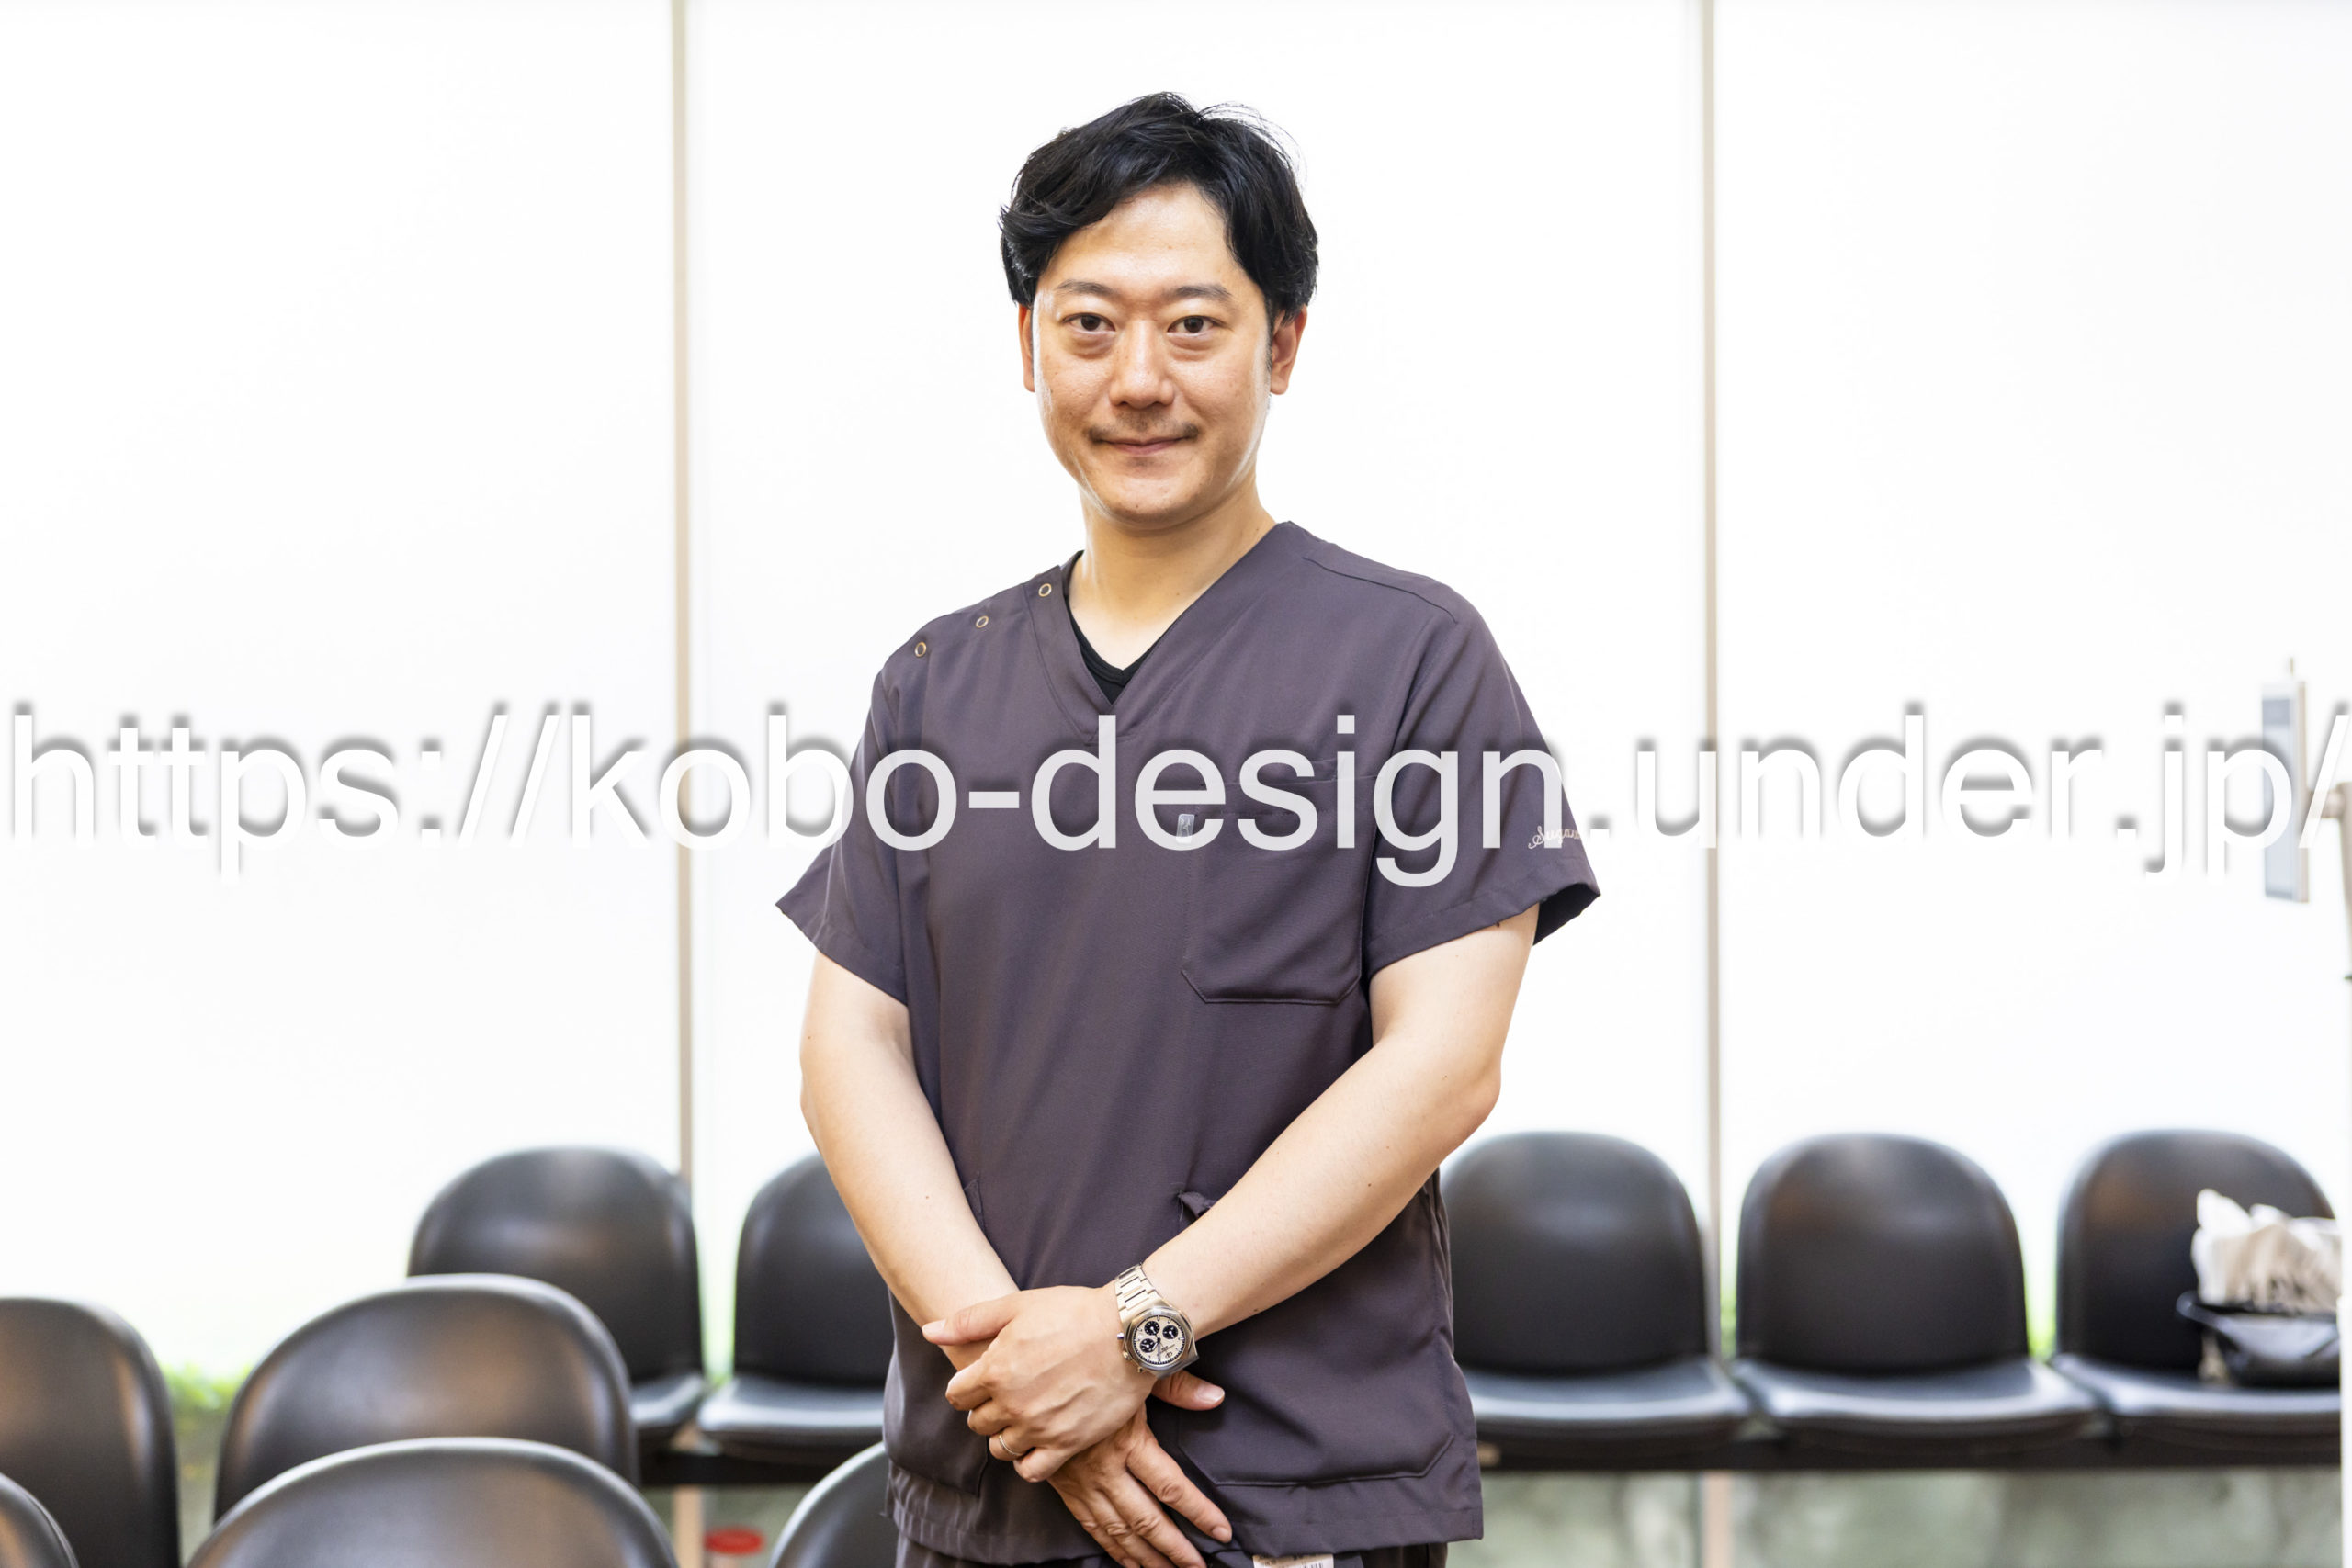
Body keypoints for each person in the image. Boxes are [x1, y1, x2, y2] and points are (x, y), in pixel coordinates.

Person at [782, 92, 1600, 1568]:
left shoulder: (1416, 662)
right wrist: (1026, 1377)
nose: (1139, 379)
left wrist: (1132, 1331)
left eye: (1194, 326)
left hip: (1284, 1495)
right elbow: (853, 1050)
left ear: (1283, 345)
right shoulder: (934, 684)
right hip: (994, 1481)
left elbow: (1441, 1066)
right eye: (1090, 326)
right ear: (1027, 344)